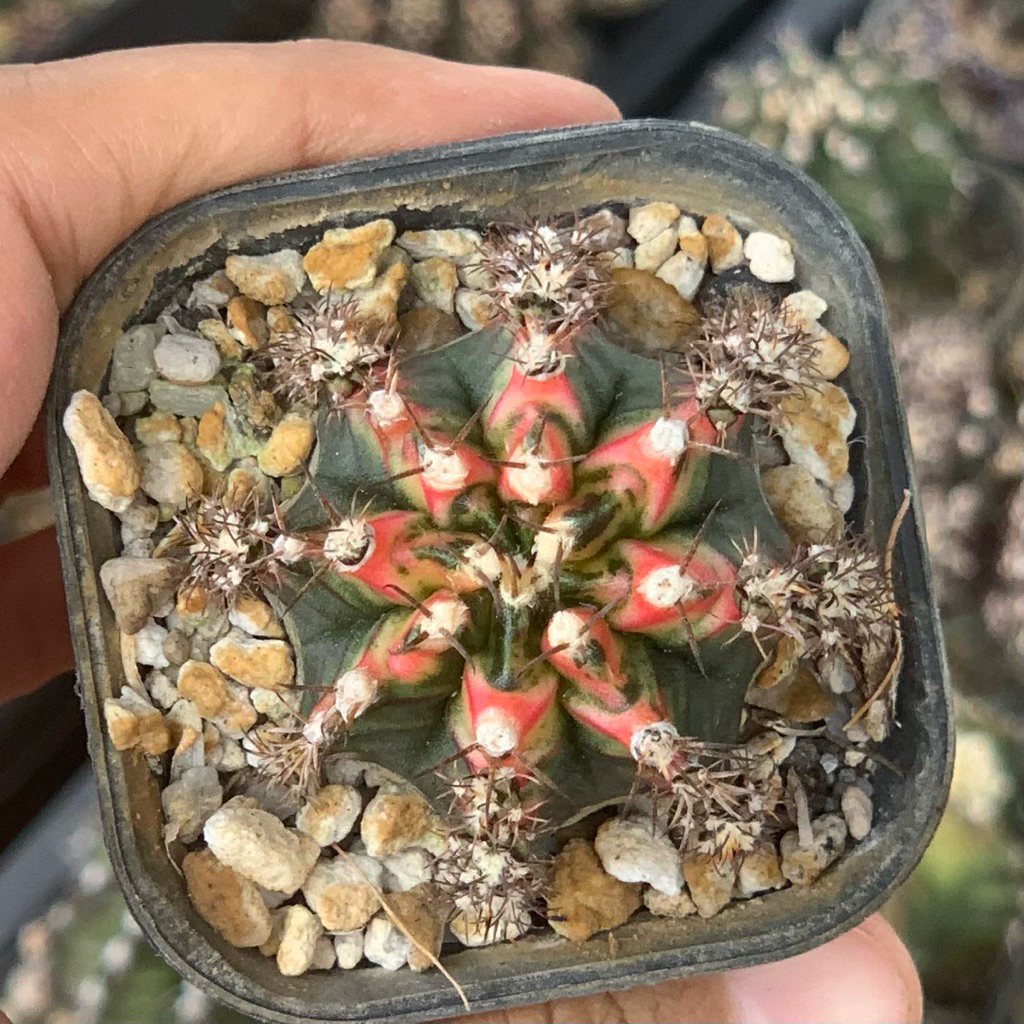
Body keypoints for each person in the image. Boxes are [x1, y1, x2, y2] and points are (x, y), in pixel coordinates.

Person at [0, 41, 921, 1024]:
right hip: (476, 571)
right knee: (444, 554)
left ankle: (748, 612)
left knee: (614, 531)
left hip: (545, 553)